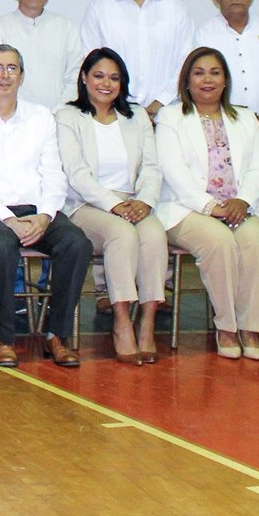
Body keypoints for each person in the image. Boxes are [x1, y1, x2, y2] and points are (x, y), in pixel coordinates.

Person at [0, 45, 90, 368]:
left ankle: (57, 334)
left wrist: (45, 215)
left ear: (22, 76)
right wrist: (8, 219)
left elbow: (54, 173)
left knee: (76, 243)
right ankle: (5, 338)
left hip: (36, 209)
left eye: (12, 68)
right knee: (2, 246)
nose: (5, 75)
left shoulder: (41, 117)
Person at [155, 48, 259, 360]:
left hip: (237, 208)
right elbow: (172, 170)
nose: (207, 79)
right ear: (187, 80)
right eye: (199, 73)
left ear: (225, 81)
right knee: (220, 242)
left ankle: (251, 327)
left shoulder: (245, 119)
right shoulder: (171, 117)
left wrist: (243, 200)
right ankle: (227, 327)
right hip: (186, 208)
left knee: (256, 243)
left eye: (215, 72)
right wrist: (210, 206)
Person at [55, 48, 167, 364]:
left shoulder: (137, 116)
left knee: (154, 235)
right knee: (122, 234)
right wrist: (114, 205)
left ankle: (147, 322)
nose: (106, 84)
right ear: (84, 78)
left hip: (134, 201)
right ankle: (121, 322)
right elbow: (76, 173)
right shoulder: (67, 116)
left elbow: (152, 167)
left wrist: (144, 201)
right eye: (99, 76)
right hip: (86, 204)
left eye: (114, 78)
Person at [79, 0, 193, 117]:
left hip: (167, 115)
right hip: (114, 115)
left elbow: (186, 63)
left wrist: (159, 103)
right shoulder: (99, 10)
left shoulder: (176, 9)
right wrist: (121, 106)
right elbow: (93, 66)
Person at [0, 0, 80, 109]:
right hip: (12, 116)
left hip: (58, 116)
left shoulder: (66, 27)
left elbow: (75, 76)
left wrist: (59, 111)